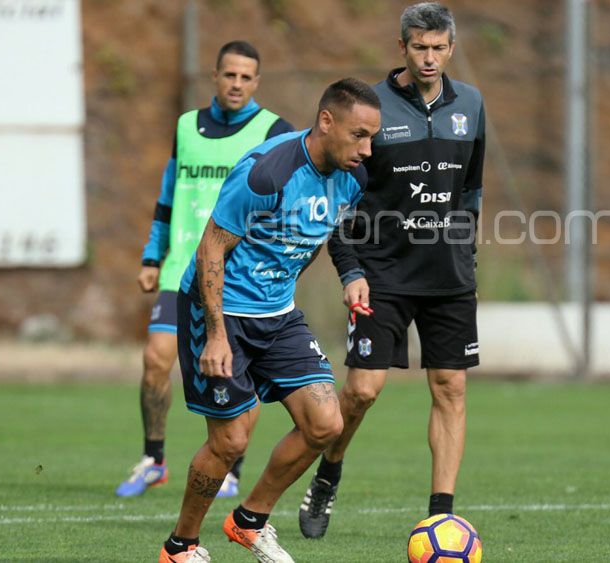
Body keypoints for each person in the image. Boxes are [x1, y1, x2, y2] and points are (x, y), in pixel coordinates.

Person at [158, 78, 381, 563]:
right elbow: (210, 247)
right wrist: (215, 335)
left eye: (372, 137)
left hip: (277, 315)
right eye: (358, 135)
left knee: (326, 423)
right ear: (326, 121)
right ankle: (181, 547)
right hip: (219, 312)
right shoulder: (267, 173)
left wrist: (352, 274)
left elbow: (336, 228)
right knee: (232, 439)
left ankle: (249, 521)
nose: (367, 149)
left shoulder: (353, 176)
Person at [299, 2, 486, 540]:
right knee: (361, 392)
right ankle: (329, 472)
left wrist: (465, 252)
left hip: (449, 274)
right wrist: (350, 269)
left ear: (451, 48)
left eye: (439, 48)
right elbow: (340, 199)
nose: (429, 58)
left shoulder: (470, 104)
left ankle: (441, 514)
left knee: (450, 387)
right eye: (420, 47)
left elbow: (471, 189)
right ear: (402, 47)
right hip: (382, 272)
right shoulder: (373, 107)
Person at [117, 41, 294, 498]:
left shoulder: (274, 130)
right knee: (156, 359)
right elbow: (168, 196)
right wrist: (152, 257)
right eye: (228, 74)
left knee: (236, 369)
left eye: (245, 77)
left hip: (237, 273)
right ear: (215, 76)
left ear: (257, 82)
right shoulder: (186, 127)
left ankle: (231, 467)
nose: (236, 84)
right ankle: (154, 459)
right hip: (182, 266)